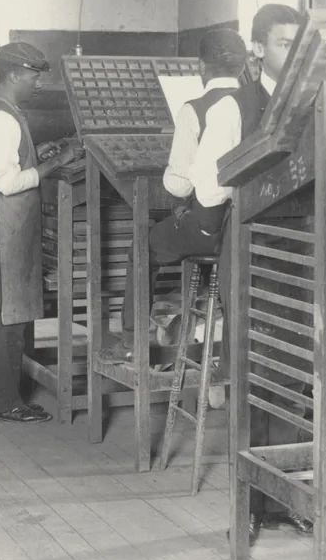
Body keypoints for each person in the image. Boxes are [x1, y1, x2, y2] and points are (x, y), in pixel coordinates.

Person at [100, 29, 248, 365]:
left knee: (144, 245)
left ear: (202, 68)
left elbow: (179, 185)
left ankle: (131, 341)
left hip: (213, 231)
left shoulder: (193, 109)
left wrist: (175, 182)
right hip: (245, 225)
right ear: (243, 66)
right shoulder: (256, 103)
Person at [0, 43, 81, 424]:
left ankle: (2, 396)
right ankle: (2, 403)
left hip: (7, 221)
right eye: (34, 76)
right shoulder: (2, 117)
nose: (37, 83)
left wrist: (40, 153)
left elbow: (10, 162)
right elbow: (9, 181)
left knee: (9, 310)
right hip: (6, 220)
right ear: (14, 75)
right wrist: (59, 163)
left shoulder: (3, 110)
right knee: (7, 313)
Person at [234, 4, 312, 545]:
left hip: (299, 242)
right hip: (254, 248)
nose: (293, 52)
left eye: (298, 43)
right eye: (285, 42)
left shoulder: (309, 100)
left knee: (295, 366)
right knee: (257, 367)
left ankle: (288, 492)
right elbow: (219, 184)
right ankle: (255, 497)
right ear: (258, 47)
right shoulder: (237, 104)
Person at [237, 4, 300, 136]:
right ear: (259, 49)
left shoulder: (315, 102)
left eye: (300, 45)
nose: (296, 54)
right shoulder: (233, 107)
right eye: (285, 45)